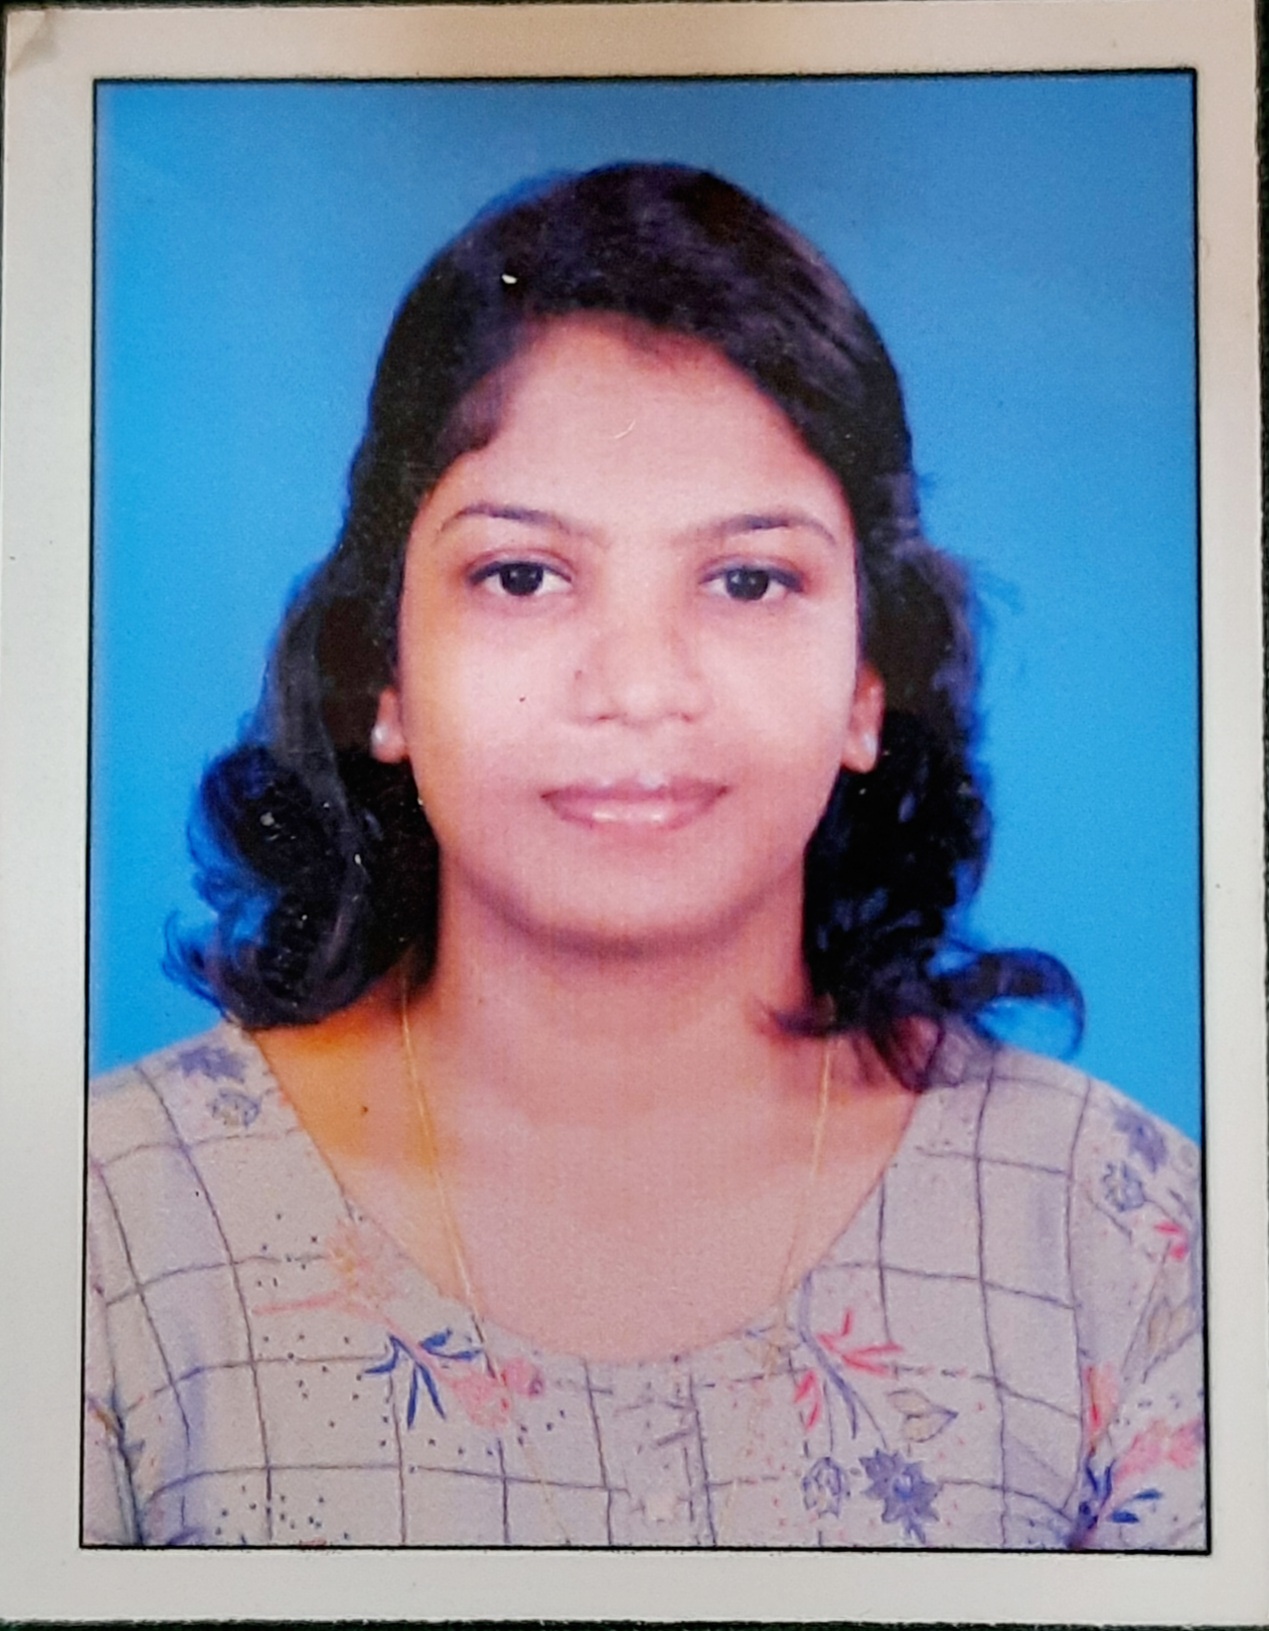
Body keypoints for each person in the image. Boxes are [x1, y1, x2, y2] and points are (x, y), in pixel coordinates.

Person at [84, 163, 1204, 1549]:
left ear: (869, 683)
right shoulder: (103, 1229)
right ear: (384, 672)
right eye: (522, 576)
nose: (638, 686)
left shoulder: (1124, 1240)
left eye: (748, 580)